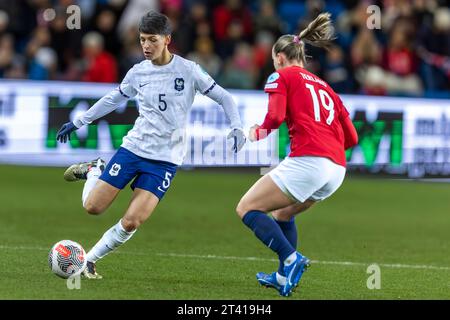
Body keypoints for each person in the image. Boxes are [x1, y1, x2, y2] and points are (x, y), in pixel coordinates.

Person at [56, 10, 246, 279]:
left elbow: (225, 97)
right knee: (93, 208)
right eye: (142, 40)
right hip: (134, 149)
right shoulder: (138, 73)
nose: (146, 46)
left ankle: (89, 260)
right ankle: (95, 170)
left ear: (167, 39)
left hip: (165, 160)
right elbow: (112, 99)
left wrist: (236, 125)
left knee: (132, 221)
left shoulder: (189, 70)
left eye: (152, 40)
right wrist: (79, 122)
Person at [235, 12, 358, 297]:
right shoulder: (327, 87)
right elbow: (352, 138)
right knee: (282, 213)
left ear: (279, 57)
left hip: (310, 161)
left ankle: (291, 260)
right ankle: (282, 275)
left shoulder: (281, 75)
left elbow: (275, 117)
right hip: (337, 170)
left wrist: (255, 132)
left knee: (247, 207)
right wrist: (327, 154)